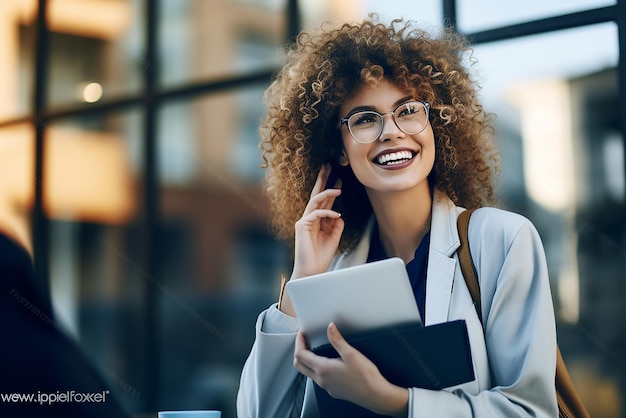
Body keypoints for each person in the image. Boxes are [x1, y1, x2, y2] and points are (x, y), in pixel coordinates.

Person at [237, 17, 558, 417]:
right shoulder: (333, 270)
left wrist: (393, 401)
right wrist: (303, 279)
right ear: (338, 150)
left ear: (435, 126)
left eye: (407, 110)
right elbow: (259, 413)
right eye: (366, 119)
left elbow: (531, 411)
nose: (391, 132)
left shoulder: (502, 241)